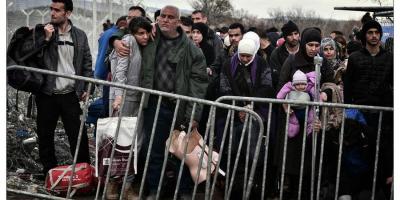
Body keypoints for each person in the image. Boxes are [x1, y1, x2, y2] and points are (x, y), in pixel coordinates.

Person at [139, 5, 209, 198]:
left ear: (178, 22)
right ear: (158, 18)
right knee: (154, 149)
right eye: (163, 16)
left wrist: (193, 115)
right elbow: (126, 31)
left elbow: (198, 85)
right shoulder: (150, 39)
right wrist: (116, 40)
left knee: (182, 152)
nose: (166, 20)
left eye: (171, 17)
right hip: (155, 103)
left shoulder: (192, 51)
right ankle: (155, 189)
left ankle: (184, 191)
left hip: (180, 107)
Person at [20, 0, 92, 177]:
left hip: (70, 94)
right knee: (45, 136)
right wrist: (44, 39)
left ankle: (84, 173)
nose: (52, 13)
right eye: (51, 9)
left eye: (57, 10)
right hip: (47, 94)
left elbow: (86, 63)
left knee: (78, 136)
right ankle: (49, 174)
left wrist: (86, 86)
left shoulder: (80, 35)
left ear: (68, 13)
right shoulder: (42, 31)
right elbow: (26, 56)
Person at [274, 27, 333, 199]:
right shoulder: (291, 61)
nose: (314, 48)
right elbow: (281, 86)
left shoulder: (323, 63)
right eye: (310, 44)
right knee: (291, 162)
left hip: (312, 118)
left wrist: (325, 93)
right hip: (291, 118)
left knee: (309, 164)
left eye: (317, 45)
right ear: (303, 43)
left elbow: (331, 83)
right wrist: (285, 106)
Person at [219, 37, 274, 199]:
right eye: (242, 55)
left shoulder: (262, 64)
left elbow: (266, 87)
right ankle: (231, 190)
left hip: (256, 114)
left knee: (252, 153)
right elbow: (224, 89)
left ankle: (252, 190)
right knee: (232, 151)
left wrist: (251, 106)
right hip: (232, 114)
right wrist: (239, 109)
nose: (244, 59)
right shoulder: (228, 64)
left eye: (248, 56)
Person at [343, 20, 393, 199]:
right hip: (360, 114)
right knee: (360, 154)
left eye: (376, 32)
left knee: (382, 153)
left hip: (383, 115)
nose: (374, 36)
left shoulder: (390, 58)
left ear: (380, 35)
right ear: (365, 35)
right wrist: (349, 111)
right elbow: (348, 86)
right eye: (370, 32)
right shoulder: (355, 58)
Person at [105, 16, 152, 200]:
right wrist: (118, 95)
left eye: (147, 32)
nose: (145, 36)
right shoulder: (127, 41)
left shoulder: (141, 44)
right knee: (118, 142)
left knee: (135, 144)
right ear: (132, 33)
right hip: (122, 98)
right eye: (141, 33)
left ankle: (127, 185)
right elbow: (119, 72)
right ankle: (112, 184)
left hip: (137, 100)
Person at [276, 70, 316, 138]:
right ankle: (292, 130)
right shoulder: (290, 87)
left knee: (311, 117)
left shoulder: (309, 87)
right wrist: (285, 107)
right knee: (292, 119)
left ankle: (310, 130)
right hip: (295, 111)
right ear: (294, 84)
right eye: (298, 84)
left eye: (303, 84)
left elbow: (316, 95)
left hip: (307, 110)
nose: (301, 86)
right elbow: (280, 96)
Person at [270, 20, 300, 92]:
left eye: (296, 33)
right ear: (285, 37)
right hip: (283, 92)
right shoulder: (277, 53)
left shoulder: (304, 49)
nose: (294, 37)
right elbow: (276, 78)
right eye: (290, 35)